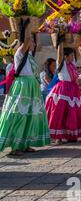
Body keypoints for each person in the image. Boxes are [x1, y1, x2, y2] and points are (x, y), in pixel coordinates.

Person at [0, 25, 50, 155]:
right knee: (19, 115)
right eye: (32, 42)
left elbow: (35, 43)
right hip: (23, 86)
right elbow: (27, 39)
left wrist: (37, 31)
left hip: (31, 87)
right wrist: (27, 22)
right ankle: (15, 146)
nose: (34, 43)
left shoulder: (29, 56)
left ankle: (25, 143)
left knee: (30, 116)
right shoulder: (19, 53)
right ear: (26, 44)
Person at [46, 44, 81, 144]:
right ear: (65, 56)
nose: (73, 57)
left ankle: (70, 134)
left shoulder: (72, 65)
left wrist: (76, 40)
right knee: (60, 113)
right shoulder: (61, 64)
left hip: (73, 90)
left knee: (72, 113)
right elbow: (59, 55)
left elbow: (77, 53)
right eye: (71, 55)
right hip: (63, 90)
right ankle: (58, 137)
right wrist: (60, 42)